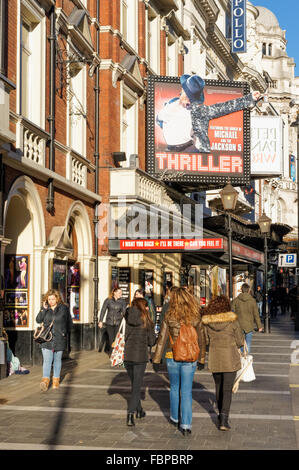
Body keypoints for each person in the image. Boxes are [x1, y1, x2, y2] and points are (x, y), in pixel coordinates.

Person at [156, 74, 261, 153]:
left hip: (188, 151)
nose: (182, 92)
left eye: (185, 91)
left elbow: (225, 107)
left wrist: (249, 99)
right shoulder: (172, 103)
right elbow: (159, 119)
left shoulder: (200, 112)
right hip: (168, 150)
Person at [152, 287, 206, 436]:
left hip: (171, 356)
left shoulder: (169, 315)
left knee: (174, 388)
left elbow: (162, 338)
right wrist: (202, 358)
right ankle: (186, 425)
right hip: (190, 357)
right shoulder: (195, 315)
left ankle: (175, 417)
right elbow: (202, 338)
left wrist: (156, 359)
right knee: (187, 391)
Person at [201, 296, 244, 431]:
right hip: (230, 358)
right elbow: (240, 341)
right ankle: (224, 419)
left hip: (215, 358)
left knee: (218, 386)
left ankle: (221, 414)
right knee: (227, 389)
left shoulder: (208, 323)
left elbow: (206, 341)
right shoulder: (232, 322)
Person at [124, 298, 156, 426]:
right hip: (140, 357)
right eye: (147, 306)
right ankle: (130, 414)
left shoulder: (126, 317)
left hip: (127, 356)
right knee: (136, 387)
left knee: (134, 385)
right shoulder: (146, 320)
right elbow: (151, 341)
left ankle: (140, 410)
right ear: (143, 306)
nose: (148, 308)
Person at [36, 289, 73, 391]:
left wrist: (64, 333)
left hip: (60, 338)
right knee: (47, 360)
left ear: (57, 298)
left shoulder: (64, 308)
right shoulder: (45, 308)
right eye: (49, 299)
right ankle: (45, 381)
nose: (51, 301)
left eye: (53, 299)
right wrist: (43, 309)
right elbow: (38, 320)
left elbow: (69, 322)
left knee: (57, 360)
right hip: (46, 339)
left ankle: (56, 380)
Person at [232, 283, 263, 352]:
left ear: (241, 290)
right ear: (248, 290)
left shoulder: (236, 300)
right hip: (249, 325)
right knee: (248, 343)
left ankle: (240, 357)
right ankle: (246, 357)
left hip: (238, 325)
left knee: (239, 343)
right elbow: (256, 314)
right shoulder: (252, 300)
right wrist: (259, 326)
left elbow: (232, 312)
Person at [98, 288, 127, 354]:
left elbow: (124, 312)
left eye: (121, 293)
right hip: (109, 322)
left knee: (117, 338)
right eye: (119, 293)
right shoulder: (108, 300)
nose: (120, 294)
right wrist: (100, 321)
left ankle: (116, 354)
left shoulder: (122, 301)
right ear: (114, 293)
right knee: (111, 339)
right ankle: (112, 354)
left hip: (118, 323)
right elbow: (103, 310)